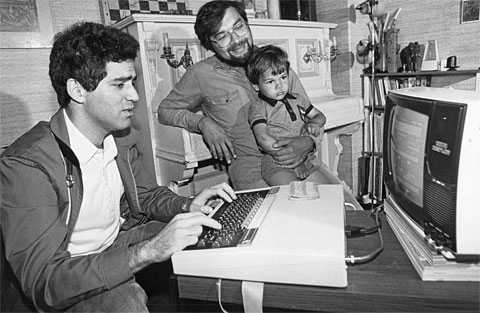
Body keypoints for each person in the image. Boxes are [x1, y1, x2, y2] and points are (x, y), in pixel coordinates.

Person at [0, 21, 237, 312]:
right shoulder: (26, 165)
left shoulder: (118, 136)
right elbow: (44, 281)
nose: (134, 96)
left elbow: (148, 195)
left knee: (204, 230)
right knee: (126, 301)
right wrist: (147, 252)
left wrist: (188, 206)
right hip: (67, 271)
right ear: (77, 90)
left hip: (113, 243)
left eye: (133, 82)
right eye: (119, 84)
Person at [157, 0, 334, 191]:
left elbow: (308, 113)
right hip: (253, 170)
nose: (236, 40)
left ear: (247, 24)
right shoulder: (200, 74)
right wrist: (203, 124)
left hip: (302, 160)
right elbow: (165, 110)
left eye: (238, 26)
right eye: (222, 36)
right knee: (294, 215)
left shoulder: (274, 62)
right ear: (210, 44)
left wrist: (307, 142)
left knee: (344, 210)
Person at [246, 45, 327, 185]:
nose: (280, 86)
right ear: (256, 86)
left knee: (326, 195)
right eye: (271, 81)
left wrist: (313, 123)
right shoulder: (258, 106)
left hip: (304, 158)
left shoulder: (298, 99)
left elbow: (320, 116)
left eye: (283, 78)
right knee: (291, 198)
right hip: (276, 161)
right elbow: (263, 138)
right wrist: (293, 160)